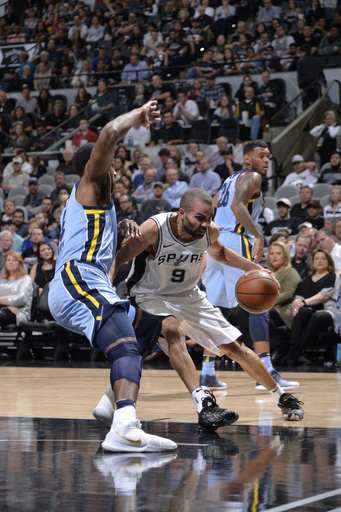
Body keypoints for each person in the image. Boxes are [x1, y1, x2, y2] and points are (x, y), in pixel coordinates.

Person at [98, 187, 305, 424]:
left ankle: (282, 396)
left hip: (189, 296)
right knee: (173, 329)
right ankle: (204, 404)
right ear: (182, 213)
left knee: (235, 347)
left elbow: (223, 254)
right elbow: (117, 259)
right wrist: (107, 296)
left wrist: (253, 268)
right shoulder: (154, 229)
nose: (206, 224)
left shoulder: (209, 232)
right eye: (200, 218)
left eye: (209, 218)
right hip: (149, 294)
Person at [48, 102, 180, 453]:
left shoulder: (96, 203)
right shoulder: (93, 182)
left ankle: (109, 405)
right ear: (98, 166)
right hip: (77, 281)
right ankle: (124, 426)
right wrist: (136, 117)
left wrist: (118, 229)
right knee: (124, 345)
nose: (117, 171)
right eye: (113, 165)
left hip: (88, 284)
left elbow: (103, 260)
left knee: (161, 329)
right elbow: (107, 135)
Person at [205, 140, 300, 393]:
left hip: (215, 243)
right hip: (236, 240)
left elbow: (214, 204)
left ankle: (207, 373)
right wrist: (257, 234)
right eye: (261, 155)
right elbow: (237, 207)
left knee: (217, 309)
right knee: (260, 301)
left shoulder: (228, 180)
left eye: (269, 156)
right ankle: (266, 372)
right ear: (248, 159)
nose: (267, 160)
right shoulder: (253, 177)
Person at [282, 249, 340, 366]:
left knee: (316, 316)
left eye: (323, 258)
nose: (320, 261)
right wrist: (297, 303)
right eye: (317, 258)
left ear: (329, 262)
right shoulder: (306, 279)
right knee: (301, 312)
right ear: (312, 262)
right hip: (309, 310)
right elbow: (298, 298)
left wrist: (302, 302)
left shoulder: (332, 276)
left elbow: (323, 296)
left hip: (327, 311)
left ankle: (295, 352)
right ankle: (294, 349)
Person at [266, 241, 301, 364]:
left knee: (264, 313)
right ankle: (250, 348)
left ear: (285, 256)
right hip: (267, 308)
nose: (274, 256)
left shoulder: (291, 272)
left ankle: (276, 348)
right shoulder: (264, 272)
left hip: (284, 309)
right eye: (272, 253)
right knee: (245, 313)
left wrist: (265, 303)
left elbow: (288, 294)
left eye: (278, 253)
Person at [0, 251, 33, 328]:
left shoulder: (25, 279)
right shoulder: (1, 279)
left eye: (14, 260)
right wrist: (5, 306)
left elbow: (21, 299)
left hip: (19, 312)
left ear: (20, 263)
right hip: (2, 309)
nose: (11, 262)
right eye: (8, 260)